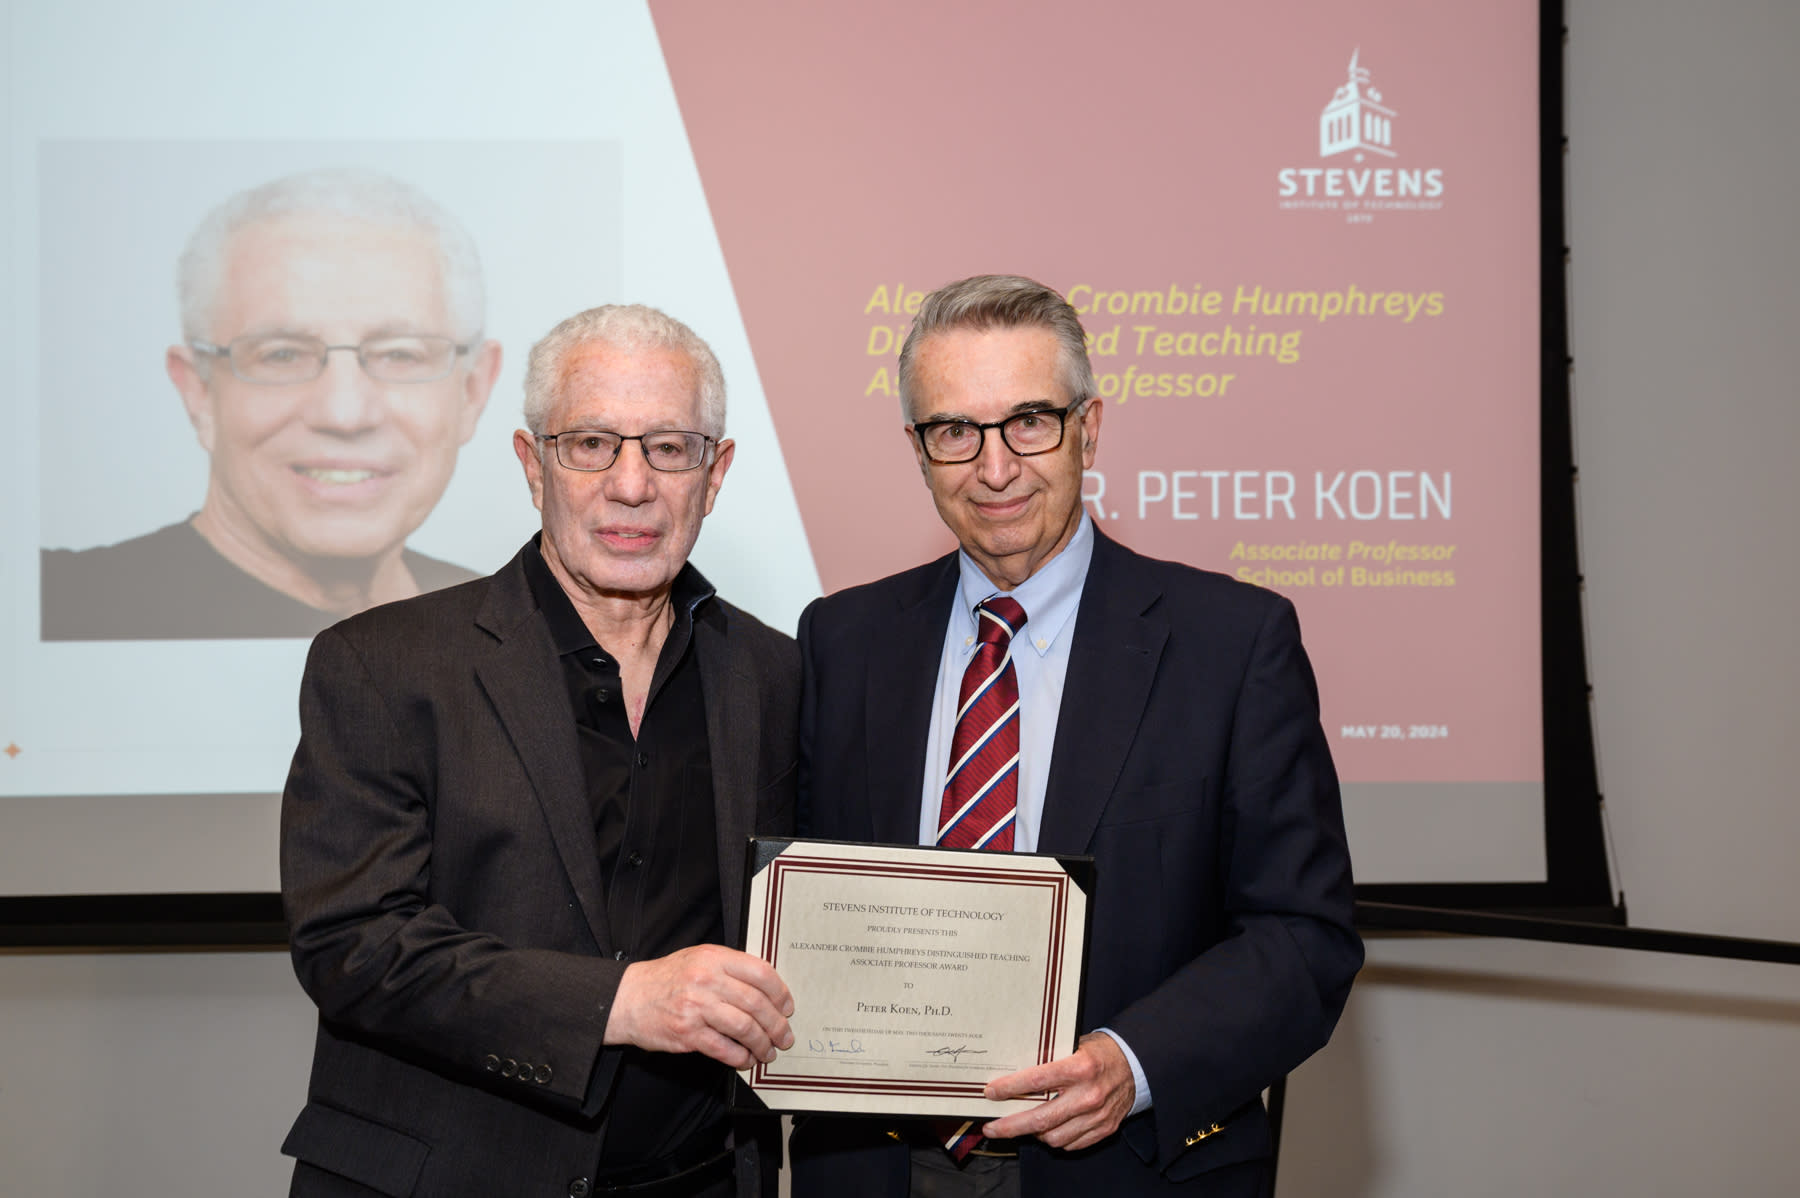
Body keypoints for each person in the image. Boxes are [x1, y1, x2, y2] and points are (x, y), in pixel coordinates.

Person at [790, 275, 1362, 1197]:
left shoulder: (1231, 643)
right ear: (918, 450)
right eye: (955, 431)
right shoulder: (842, 641)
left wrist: (1133, 1064)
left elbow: (1304, 937)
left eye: (1029, 422)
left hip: (1129, 1168)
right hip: (880, 1168)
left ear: (1089, 428)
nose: (995, 468)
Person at [280, 304, 799, 1198]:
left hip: (700, 1178)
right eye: (590, 444)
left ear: (714, 475)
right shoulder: (382, 664)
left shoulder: (771, 672)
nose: (631, 485)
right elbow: (352, 945)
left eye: (670, 448)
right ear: (532, 465)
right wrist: (620, 1003)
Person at [40, 168, 502, 640]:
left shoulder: (512, 623)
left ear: (473, 390)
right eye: (282, 355)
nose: (344, 414)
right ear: (198, 390)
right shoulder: (53, 604)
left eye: (401, 354)